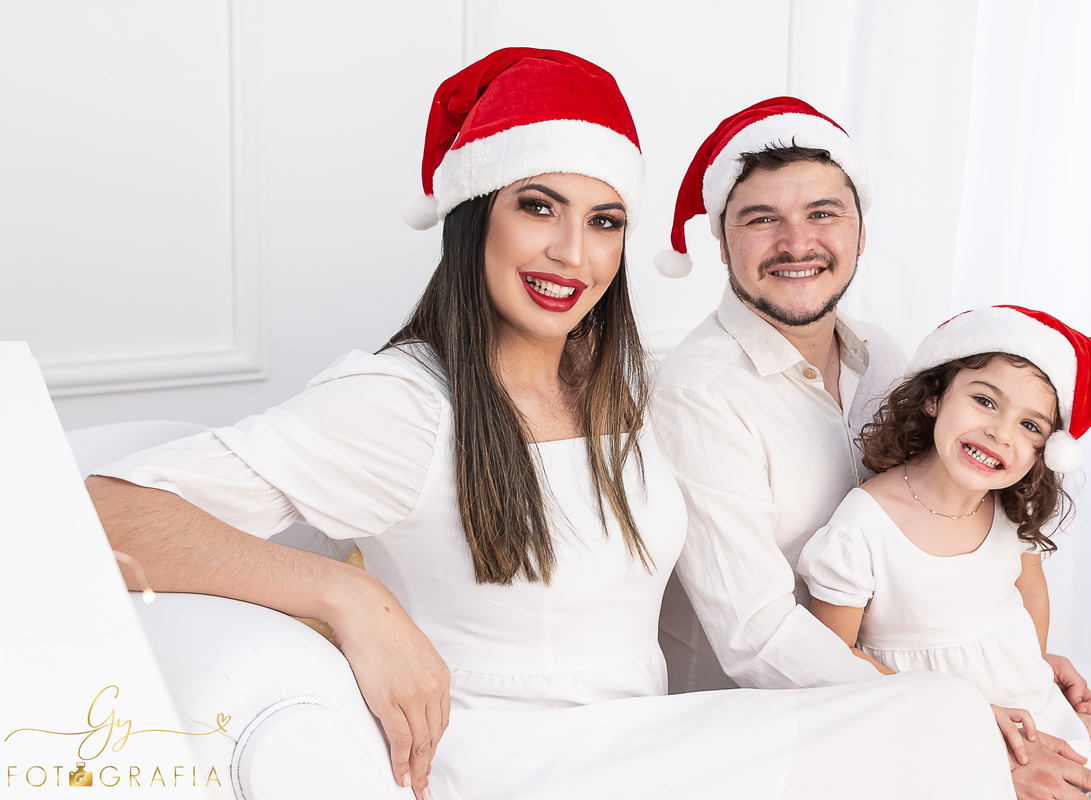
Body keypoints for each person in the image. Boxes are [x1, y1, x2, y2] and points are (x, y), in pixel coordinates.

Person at [87, 50, 1015, 799]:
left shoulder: (616, 387)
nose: (573, 253)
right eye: (538, 206)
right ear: (473, 217)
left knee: (938, 718)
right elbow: (97, 511)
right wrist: (349, 600)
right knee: (937, 727)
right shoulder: (402, 402)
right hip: (516, 767)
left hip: (648, 745)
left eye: (605, 220)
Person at [653, 99, 1091, 798]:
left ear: (861, 231)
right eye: (760, 219)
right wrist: (965, 727)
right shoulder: (699, 396)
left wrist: (1017, 665)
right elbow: (759, 640)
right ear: (720, 242)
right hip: (773, 721)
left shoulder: (885, 355)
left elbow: (933, 531)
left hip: (895, 686)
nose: (796, 241)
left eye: (823, 212)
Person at [798, 305, 1091, 792]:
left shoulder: (1012, 510)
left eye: (1030, 426)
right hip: (925, 725)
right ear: (934, 397)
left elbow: (1030, 592)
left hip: (1028, 714)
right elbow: (835, 658)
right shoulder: (863, 529)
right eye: (985, 401)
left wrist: (1037, 672)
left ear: (1045, 452)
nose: (1000, 432)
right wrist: (965, 720)